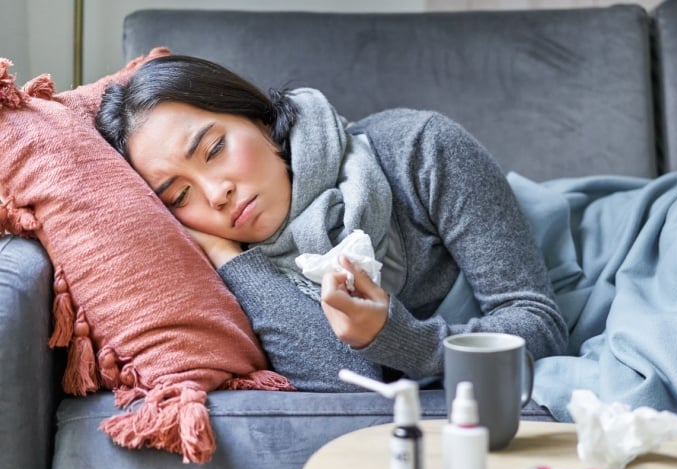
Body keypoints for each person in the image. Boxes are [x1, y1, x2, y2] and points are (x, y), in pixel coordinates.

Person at [95, 54, 568, 391]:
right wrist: (230, 260)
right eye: (180, 195)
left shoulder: (422, 149)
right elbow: (342, 386)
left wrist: (394, 337)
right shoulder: (236, 258)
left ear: (256, 116)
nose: (216, 194)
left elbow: (540, 326)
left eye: (215, 149)